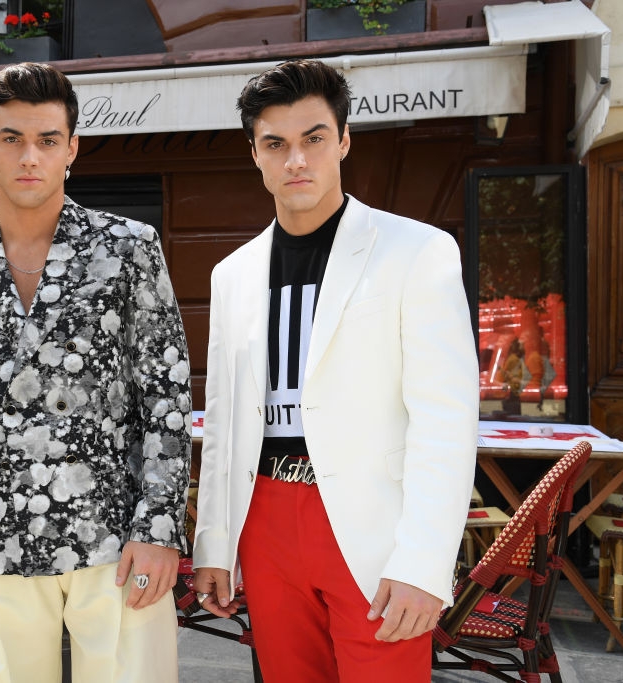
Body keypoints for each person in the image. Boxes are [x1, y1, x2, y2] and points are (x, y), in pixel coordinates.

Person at [0, 62, 192, 683]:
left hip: (115, 538)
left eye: (47, 140)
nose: (29, 156)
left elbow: (166, 398)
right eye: (12, 138)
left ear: (72, 149)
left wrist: (161, 527)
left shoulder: (128, 248)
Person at [192, 59, 479, 682]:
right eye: (276, 144)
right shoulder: (232, 274)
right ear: (255, 154)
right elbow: (223, 420)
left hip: (371, 522)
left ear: (344, 140)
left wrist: (425, 562)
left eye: (314, 138)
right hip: (265, 517)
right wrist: (214, 542)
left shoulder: (417, 250)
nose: (296, 160)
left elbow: (446, 421)